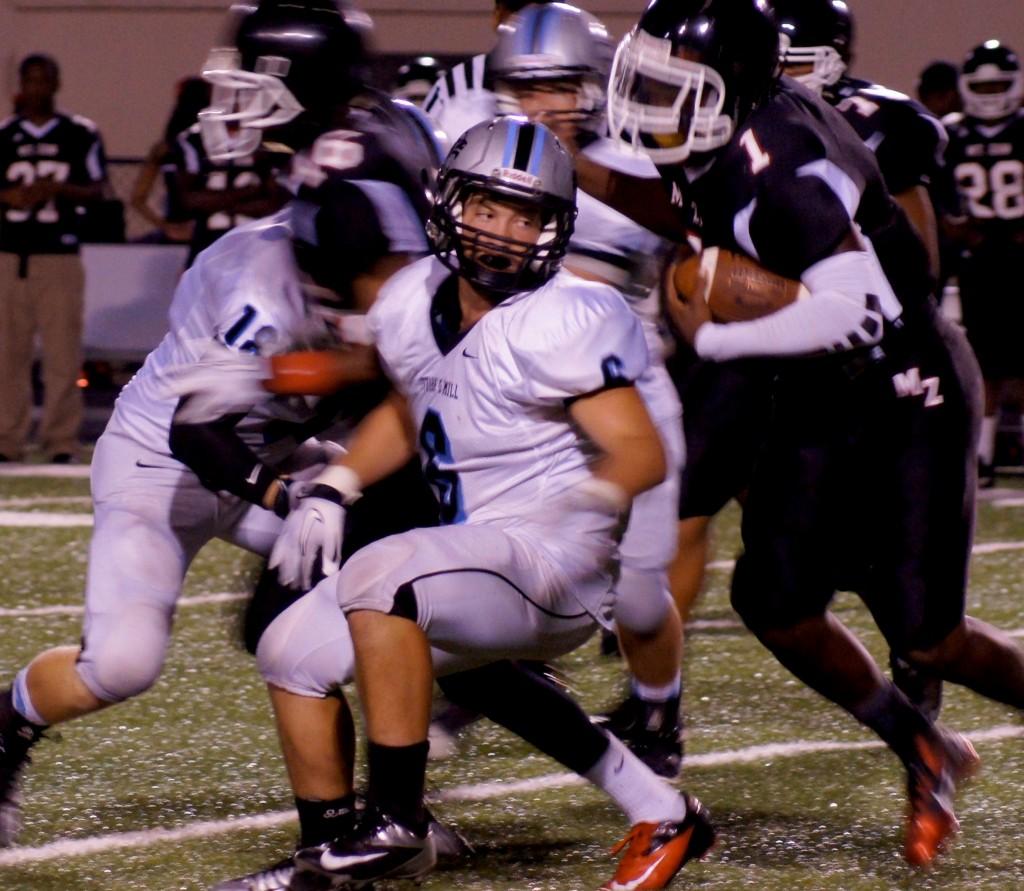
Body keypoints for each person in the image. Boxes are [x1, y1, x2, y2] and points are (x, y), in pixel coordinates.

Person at [228, 115, 714, 891]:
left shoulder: (569, 313)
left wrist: (590, 497)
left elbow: (640, 449)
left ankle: (396, 821)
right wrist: (335, 484)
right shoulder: (411, 296)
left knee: (383, 576)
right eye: (489, 207)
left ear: (555, 229)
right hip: (472, 552)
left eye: (527, 216)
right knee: (288, 650)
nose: (505, 233)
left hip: (557, 563)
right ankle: (328, 856)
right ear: (450, 203)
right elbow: (408, 403)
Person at [0, 1, 435, 857]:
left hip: (275, 448)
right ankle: (6, 723)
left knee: (395, 581)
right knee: (121, 664)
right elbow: (201, 433)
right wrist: (297, 491)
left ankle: (367, 814)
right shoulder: (250, 277)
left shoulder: (358, 216)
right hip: (166, 459)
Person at [596, 0, 1024, 868]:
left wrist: (724, 326)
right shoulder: (726, 132)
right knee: (775, 599)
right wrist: (575, 167)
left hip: (909, 387)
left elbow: (860, 305)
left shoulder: (784, 162)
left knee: (928, 636)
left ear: (732, 92)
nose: (648, 103)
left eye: (672, 87)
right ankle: (926, 744)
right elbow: (683, 211)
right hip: (818, 386)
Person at [487, 0, 688, 777]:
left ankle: (659, 709)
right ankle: (461, 698)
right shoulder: (486, 155)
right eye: (524, 88)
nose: (539, 106)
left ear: (595, 84)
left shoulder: (642, 163)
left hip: (626, 395)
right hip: (517, 400)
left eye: (559, 85)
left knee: (638, 596)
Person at [0, 53, 107, 464]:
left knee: (63, 354)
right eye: (31, 80)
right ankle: (8, 437)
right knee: (9, 354)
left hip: (59, 253)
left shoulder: (79, 132)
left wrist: (58, 190)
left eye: (45, 79)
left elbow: (97, 190)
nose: (38, 88)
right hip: (10, 253)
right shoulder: (5, 133)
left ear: (56, 83)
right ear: (21, 84)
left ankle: (60, 439)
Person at [942, 41, 1024, 489]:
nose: (991, 92)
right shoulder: (950, 133)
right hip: (980, 263)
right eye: (983, 84)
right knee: (986, 363)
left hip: (1018, 257)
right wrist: (952, 225)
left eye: (998, 83)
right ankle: (983, 456)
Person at [421, 0, 557, 147]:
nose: (532, 24)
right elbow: (426, 161)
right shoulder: (453, 87)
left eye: (544, 13)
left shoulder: (581, 85)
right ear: (497, 17)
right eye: (520, 12)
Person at [129, 77, 210, 244]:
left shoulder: (165, 148)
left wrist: (165, 226)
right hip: (202, 230)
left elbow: (138, 198)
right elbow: (137, 198)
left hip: (193, 229)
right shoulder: (212, 148)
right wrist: (166, 227)